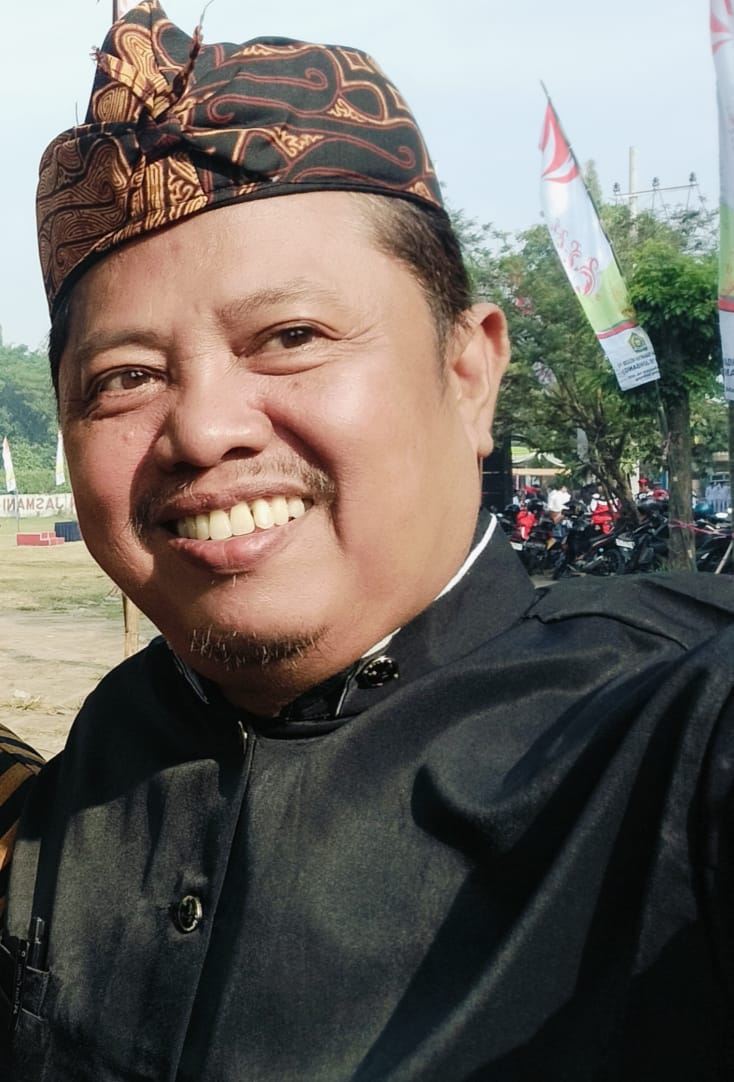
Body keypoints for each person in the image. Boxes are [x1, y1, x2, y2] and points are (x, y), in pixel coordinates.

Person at [1, 4, 734, 1079]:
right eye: (126, 377)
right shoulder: (82, 779)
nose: (203, 429)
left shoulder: (660, 738)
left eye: (291, 337)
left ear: (468, 372)